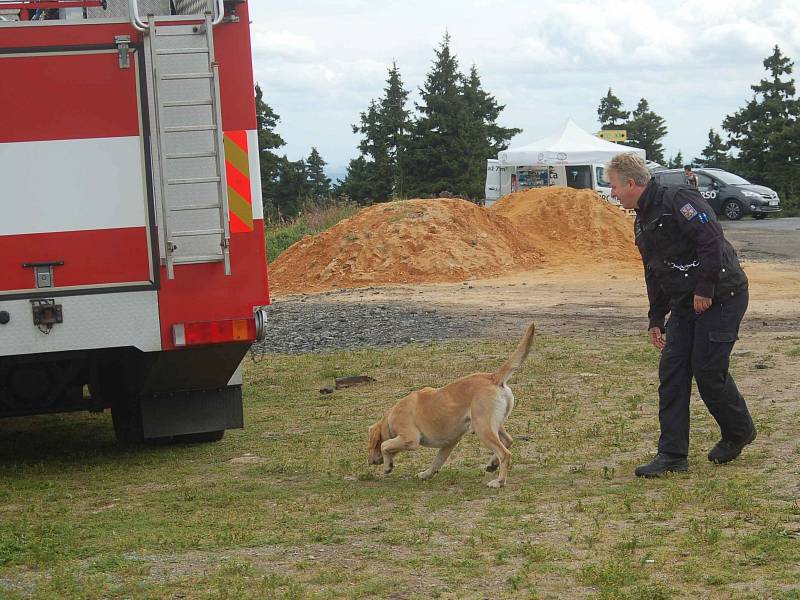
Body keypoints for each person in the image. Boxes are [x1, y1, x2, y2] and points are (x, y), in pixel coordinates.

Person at [607, 153, 756, 478]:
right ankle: (672, 455)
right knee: (672, 373)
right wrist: (656, 318)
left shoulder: (678, 198)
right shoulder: (641, 219)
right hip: (686, 302)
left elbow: (711, 240)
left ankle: (739, 431)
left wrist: (706, 288)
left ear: (631, 183)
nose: (613, 193)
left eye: (614, 186)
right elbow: (655, 272)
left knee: (707, 369)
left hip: (723, 294)